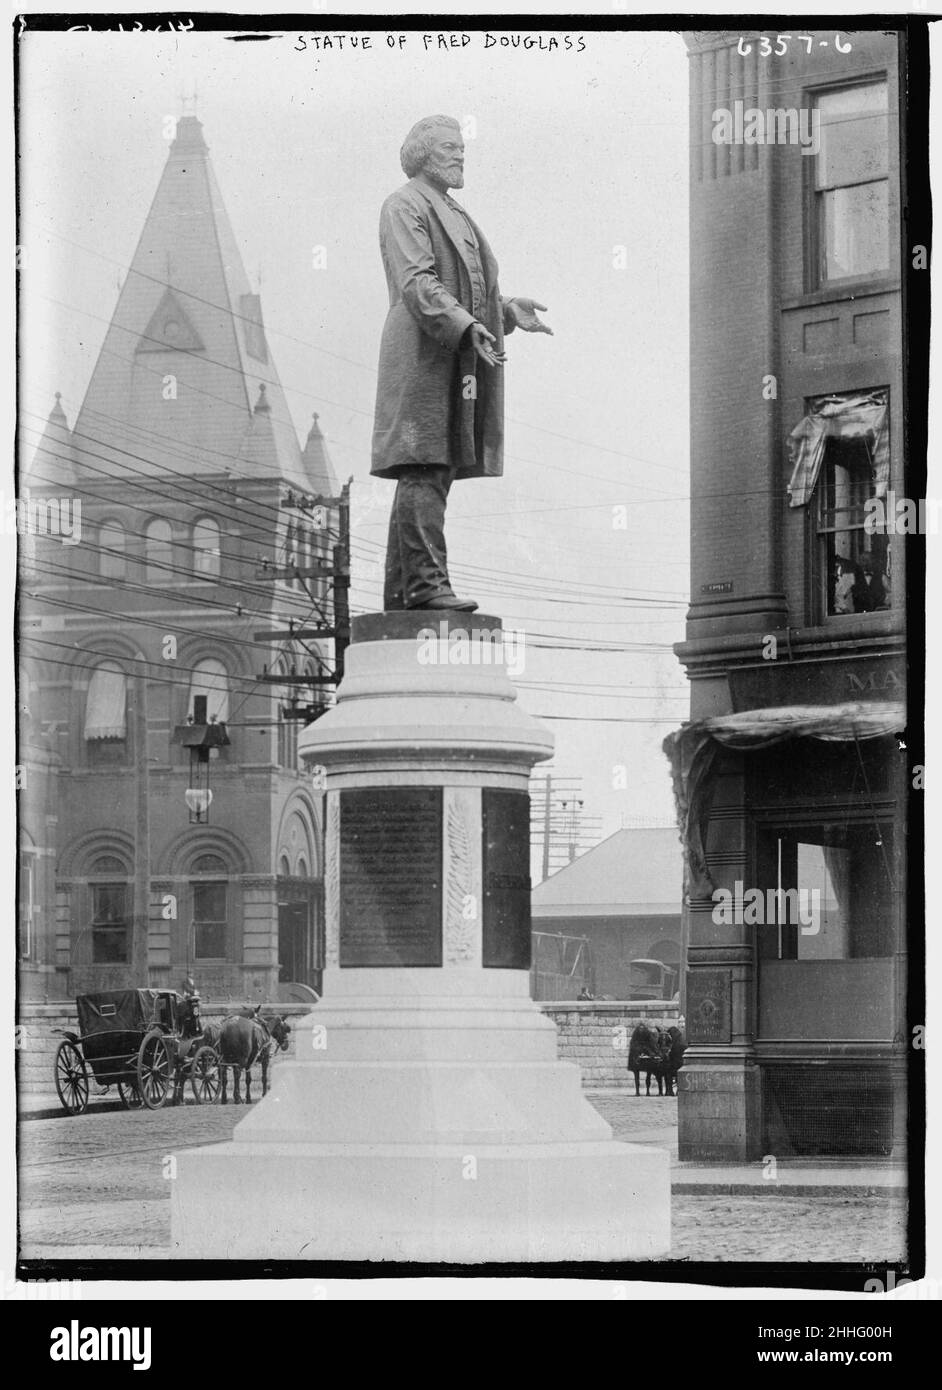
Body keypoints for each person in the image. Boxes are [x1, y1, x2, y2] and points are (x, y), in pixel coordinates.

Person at [372, 115, 552, 611]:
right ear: (423, 153)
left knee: (434, 467)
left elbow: (468, 286)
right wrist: (466, 325)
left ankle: (403, 595)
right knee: (423, 465)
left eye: (461, 147)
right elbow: (417, 282)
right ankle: (427, 589)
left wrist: (506, 310)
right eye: (450, 147)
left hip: (453, 356)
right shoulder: (404, 203)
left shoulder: (452, 210)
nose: (460, 154)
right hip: (420, 355)